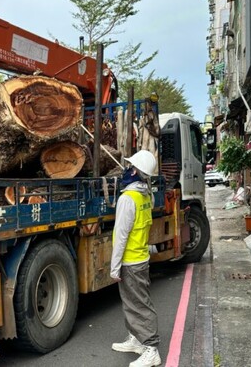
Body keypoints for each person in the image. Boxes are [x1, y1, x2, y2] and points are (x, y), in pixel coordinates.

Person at [110, 149, 161, 367]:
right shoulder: (145, 195)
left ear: (137, 172)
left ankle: (151, 349)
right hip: (140, 257)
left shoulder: (127, 199)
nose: (126, 169)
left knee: (139, 304)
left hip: (131, 260)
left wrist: (114, 267)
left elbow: (121, 235)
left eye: (130, 167)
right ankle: (136, 339)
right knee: (132, 302)